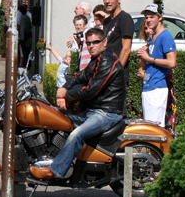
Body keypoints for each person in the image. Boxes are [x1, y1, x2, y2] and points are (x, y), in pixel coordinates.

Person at [29, 27, 126, 180]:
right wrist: (63, 88)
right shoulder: (97, 59)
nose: (92, 46)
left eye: (96, 42)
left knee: (77, 134)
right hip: (94, 110)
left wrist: (66, 95)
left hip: (107, 112)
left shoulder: (107, 60)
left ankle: (55, 171)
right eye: (89, 43)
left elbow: (91, 90)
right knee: (55, 116)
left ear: (104, 42)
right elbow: (80, 76)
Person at [136, 4, 177, 129]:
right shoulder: (152, 37)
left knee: (155, 131)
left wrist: (149, 59)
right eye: (146, 17)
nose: (148, 20)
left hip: (157, 88)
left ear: (160, 18)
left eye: (152, 17)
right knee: (149, 130)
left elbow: (171, 62)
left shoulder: (166, 36)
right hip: (148, 87)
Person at [102, 0, 134, 82]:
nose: (108, 1)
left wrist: (115, 73)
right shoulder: (107, 21)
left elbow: (126, 49)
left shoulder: (124, 18)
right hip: (106, 73)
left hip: (117, 77)